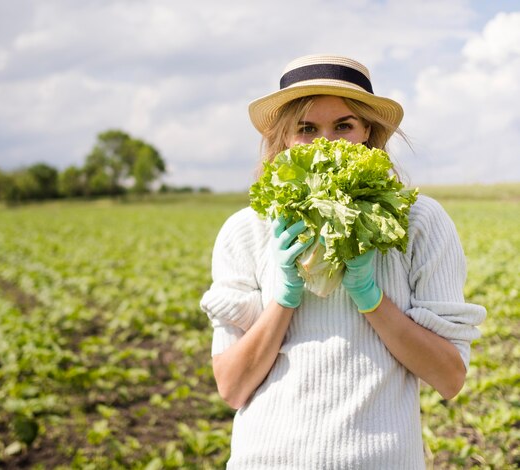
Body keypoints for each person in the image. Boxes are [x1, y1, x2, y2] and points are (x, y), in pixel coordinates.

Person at [200, 54, 487, 469]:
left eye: (343, 126)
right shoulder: (246, 230)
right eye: (306, 128)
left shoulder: (420, 222)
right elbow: (232, 387)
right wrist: (283, 299)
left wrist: (371, 299)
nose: (326, 142)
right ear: (283, 138)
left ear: (367, 131)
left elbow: (449, 377)